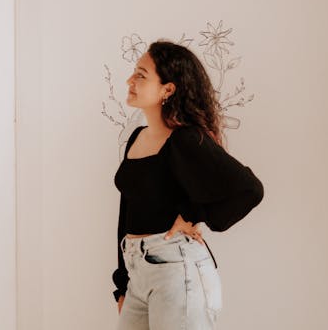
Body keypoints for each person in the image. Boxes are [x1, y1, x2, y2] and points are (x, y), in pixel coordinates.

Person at [112, 40, 264, 330]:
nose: (130, 80)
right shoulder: (137, 137)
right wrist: (123, 284)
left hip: (177, 271)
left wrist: (194, 213)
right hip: (137, 273)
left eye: (141, 75)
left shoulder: (185, 139)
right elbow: (127, 209)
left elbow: (250, 190)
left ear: (167, 89)